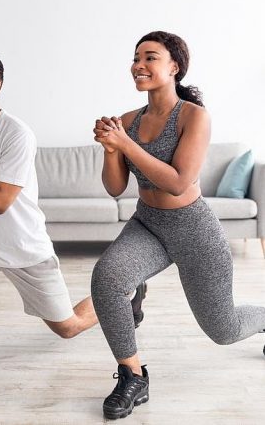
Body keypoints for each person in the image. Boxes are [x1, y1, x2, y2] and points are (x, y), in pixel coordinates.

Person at [0, 51, 145, 384]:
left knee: (68, 327)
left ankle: (129, 296)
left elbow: (0, 201)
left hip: (22, 245)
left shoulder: (15, 134)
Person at [91, 31, 265, 420]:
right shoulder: (127, 121)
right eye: (136, 57)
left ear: (174, 67)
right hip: (148, 223)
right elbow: (115, 188)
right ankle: (133, 377)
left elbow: (178, 182)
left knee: (224, 330)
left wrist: (126, 144)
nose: (138, 65)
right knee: (106, 278)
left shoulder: (194, 116)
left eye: (149, 57)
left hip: (193, 229)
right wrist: (110, 149)